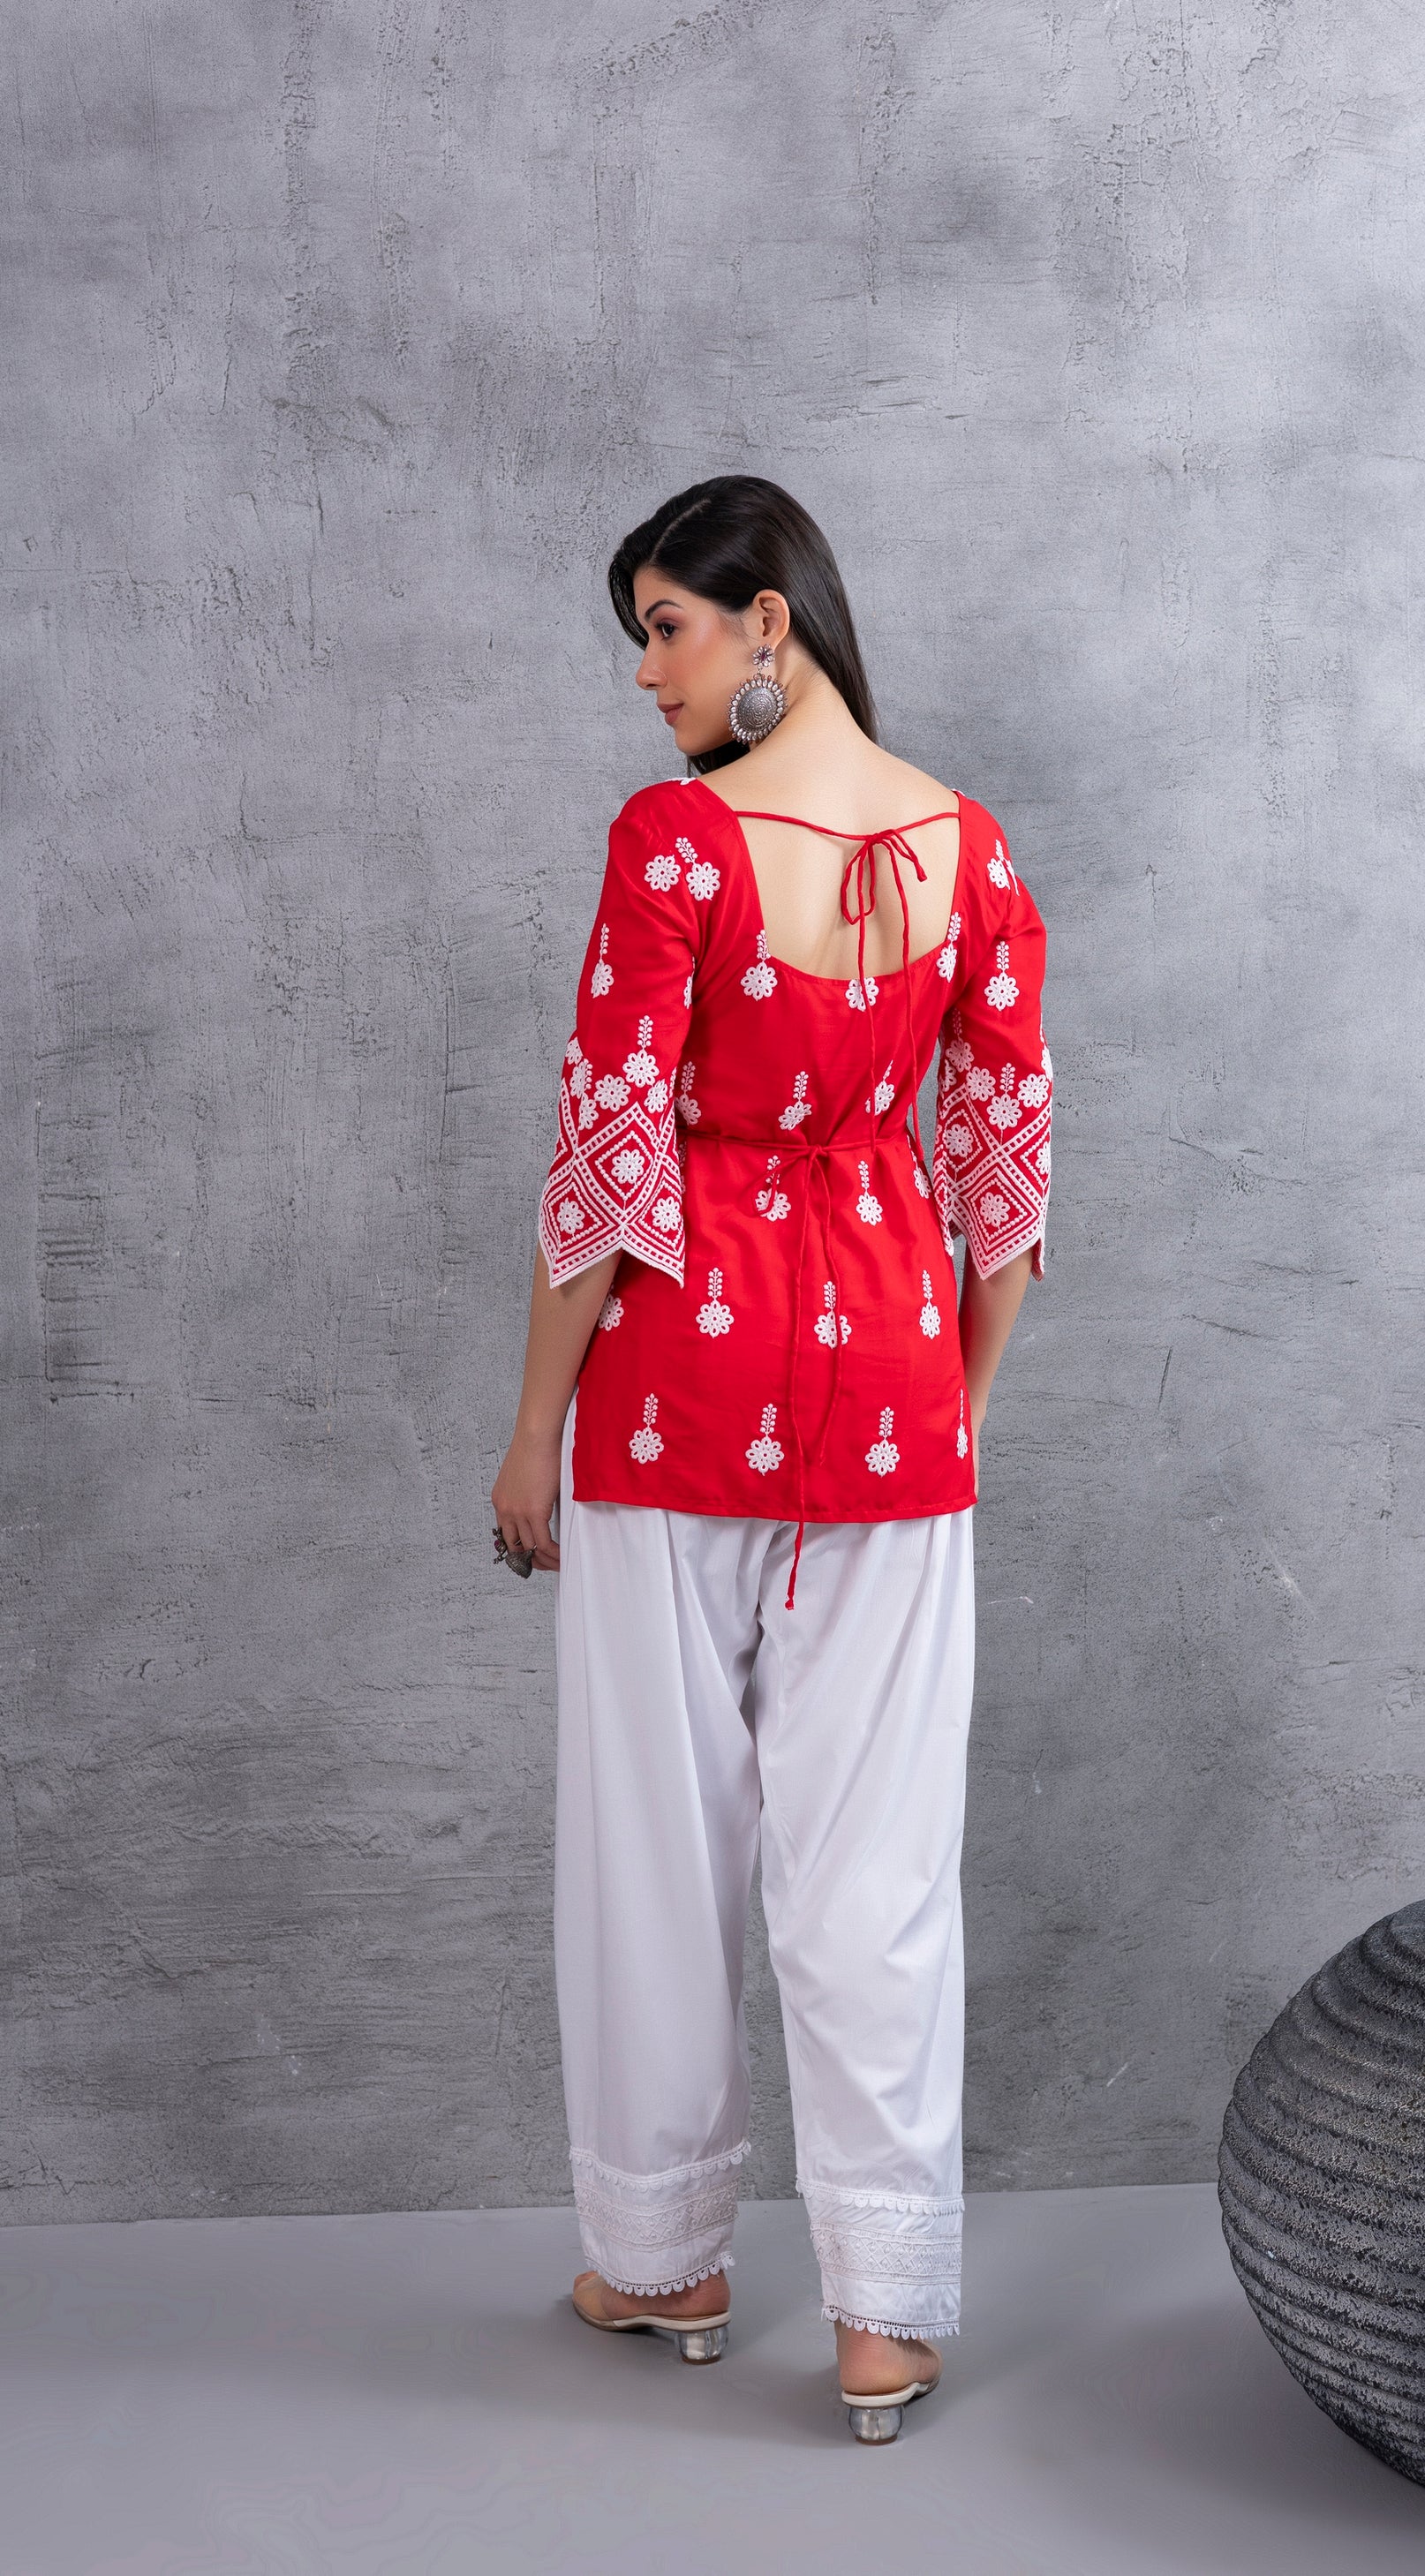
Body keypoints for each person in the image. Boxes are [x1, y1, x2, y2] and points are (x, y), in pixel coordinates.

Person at [490, 476, 1052, 2442]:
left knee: (658, 1841)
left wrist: (533, 1430)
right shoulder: (971, 850)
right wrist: (951, 1402)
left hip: (674, 1395)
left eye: (665, 625)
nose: (647, 671)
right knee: (877, 1859)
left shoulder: (676, 846)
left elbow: (610, 1156)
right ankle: (884, 2315)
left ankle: (665, 2261)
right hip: (895, 1390)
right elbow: (1001, 1176)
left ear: (767, 622)